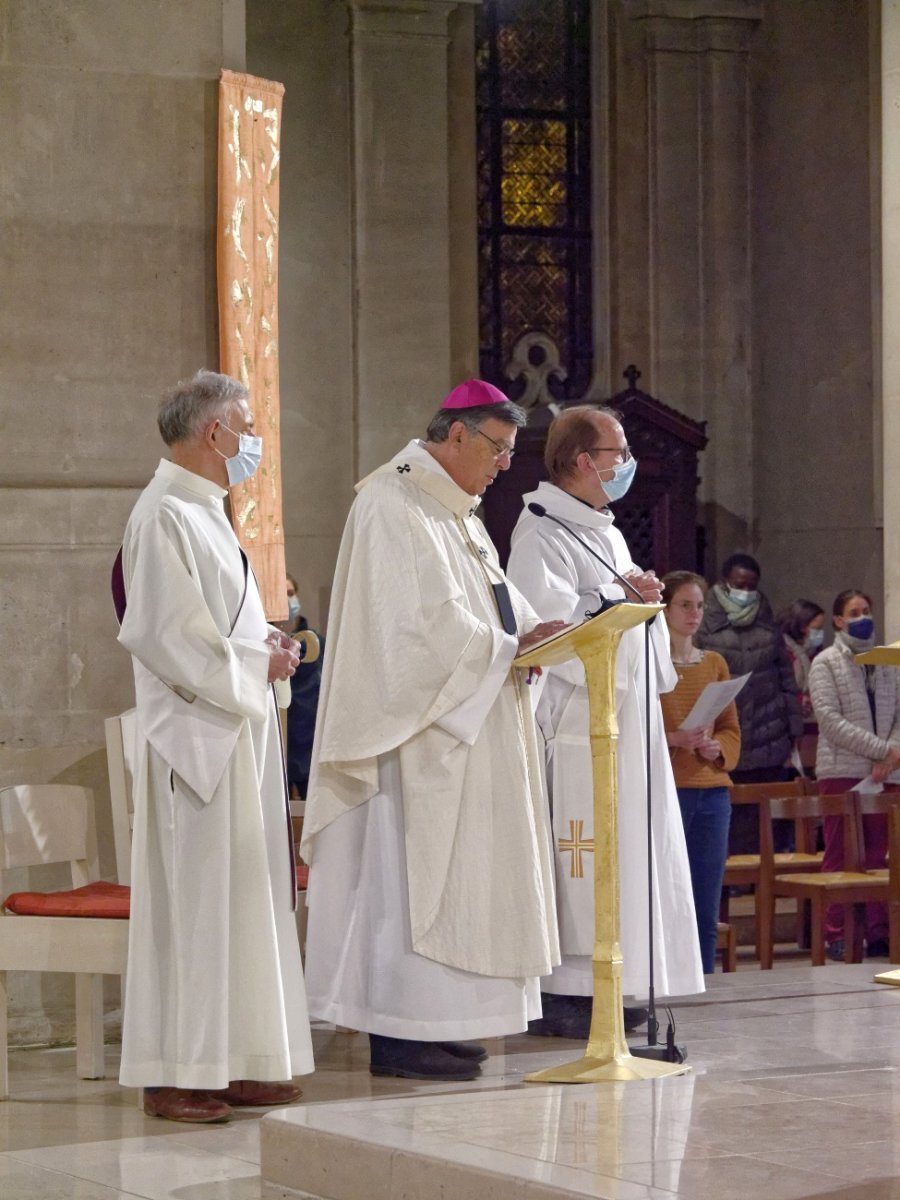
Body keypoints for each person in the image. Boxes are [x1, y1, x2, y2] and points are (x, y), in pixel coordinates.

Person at [301, 379, 566, 1081]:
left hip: (464, 724)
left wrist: (529, 636)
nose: (506, 463)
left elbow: (490, 605)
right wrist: (508, 647)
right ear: (457, 435)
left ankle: (444, 1021)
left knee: (463, 874)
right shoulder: (392, 503)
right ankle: (399, 1030)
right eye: (500, 448)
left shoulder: (457, 512)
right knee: (410, 878)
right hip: (412, 737)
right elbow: (412, 630)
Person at [116, 370, 314, 1122]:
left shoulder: (204, 510)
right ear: (212, 433)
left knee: (242, 903)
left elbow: (212, 625)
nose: (255, 439)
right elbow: (161, 635)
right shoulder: (163, 512)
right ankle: (178, 1071)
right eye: (248, 424)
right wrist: (247, 665)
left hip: (235, 731)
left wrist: (264, 645)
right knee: (196, 910)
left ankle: (238, 1058)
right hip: (196, 740)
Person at [506, 405, 704, 1039]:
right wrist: (625, 605)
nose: (628, 465)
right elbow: (551, 635)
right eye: (619, 453)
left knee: (629, 852)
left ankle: (622, 976)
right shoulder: (540, 530)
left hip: (627, 725)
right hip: (578, 729)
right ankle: (570, 989)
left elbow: (619, 614)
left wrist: (640, 606)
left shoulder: (605, 531)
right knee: (582, 858)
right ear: (583, 461)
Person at [808, 589, 900, 960]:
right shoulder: (825, 663)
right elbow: (829, 721)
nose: (862, 617)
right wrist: (882, 751)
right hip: (843, 770)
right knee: (842, 854)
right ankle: (837, 932)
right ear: (839, 621)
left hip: (888, 773)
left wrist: (892, 757)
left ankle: (879, 932)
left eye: (866, 610)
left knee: (880, 855)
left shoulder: (890, 661)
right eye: (854, 612)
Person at [659, 571, 741, 973]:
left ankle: (705, 982)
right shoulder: (651, 666)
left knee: (706, 899)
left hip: (712, 791)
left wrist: (715, 747)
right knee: (668, 897)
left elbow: (730, 730)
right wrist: (676, 738)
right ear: (665, 608)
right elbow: (634, 729)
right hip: (669, 789)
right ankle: (667, 983)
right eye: (684, 605)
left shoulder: (714, 663)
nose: (694, 614)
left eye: (699, 606)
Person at [695, 553, 803, 854]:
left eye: (751, 587)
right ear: (724, 584)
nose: (745, 592)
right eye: (739, 585)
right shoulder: (704, 626)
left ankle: (761, 883)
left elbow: (785, 680)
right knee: (725, 820)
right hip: (721, 736)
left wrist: (792, 734)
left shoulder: (768, 626)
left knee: (761, 820)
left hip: (767, 735)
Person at [279, 573, 324, 800]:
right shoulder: (262, 644)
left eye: (291, 593)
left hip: (311, 743)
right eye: (281, 594)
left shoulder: (318, 644)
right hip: (279, 746)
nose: (288, 600)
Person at [777, 599, 826, 720]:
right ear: (800, 627)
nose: (820, 633)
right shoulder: (780, 651)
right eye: (816, 628)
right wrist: (799, 700)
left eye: (821, 628)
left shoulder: (815, 654)